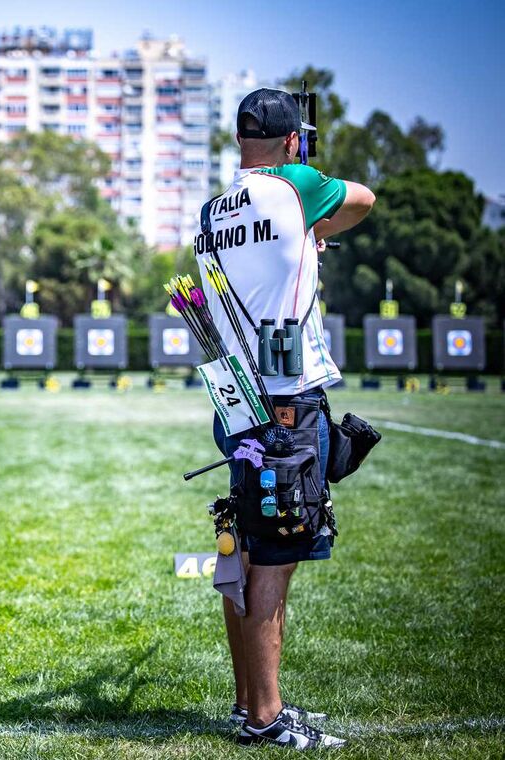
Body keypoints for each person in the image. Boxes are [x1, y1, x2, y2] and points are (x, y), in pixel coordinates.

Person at [198, 89, 375, 750]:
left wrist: (305, 238)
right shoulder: (296, 187)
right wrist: (315, 228)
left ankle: (249, 702)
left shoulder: (212, 211)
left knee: (244, 550)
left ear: (240, 139)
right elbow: (363, 200)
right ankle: (267, 719)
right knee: (274, 557)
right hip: (288, 403)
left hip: (237, 402)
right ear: (293, 142)